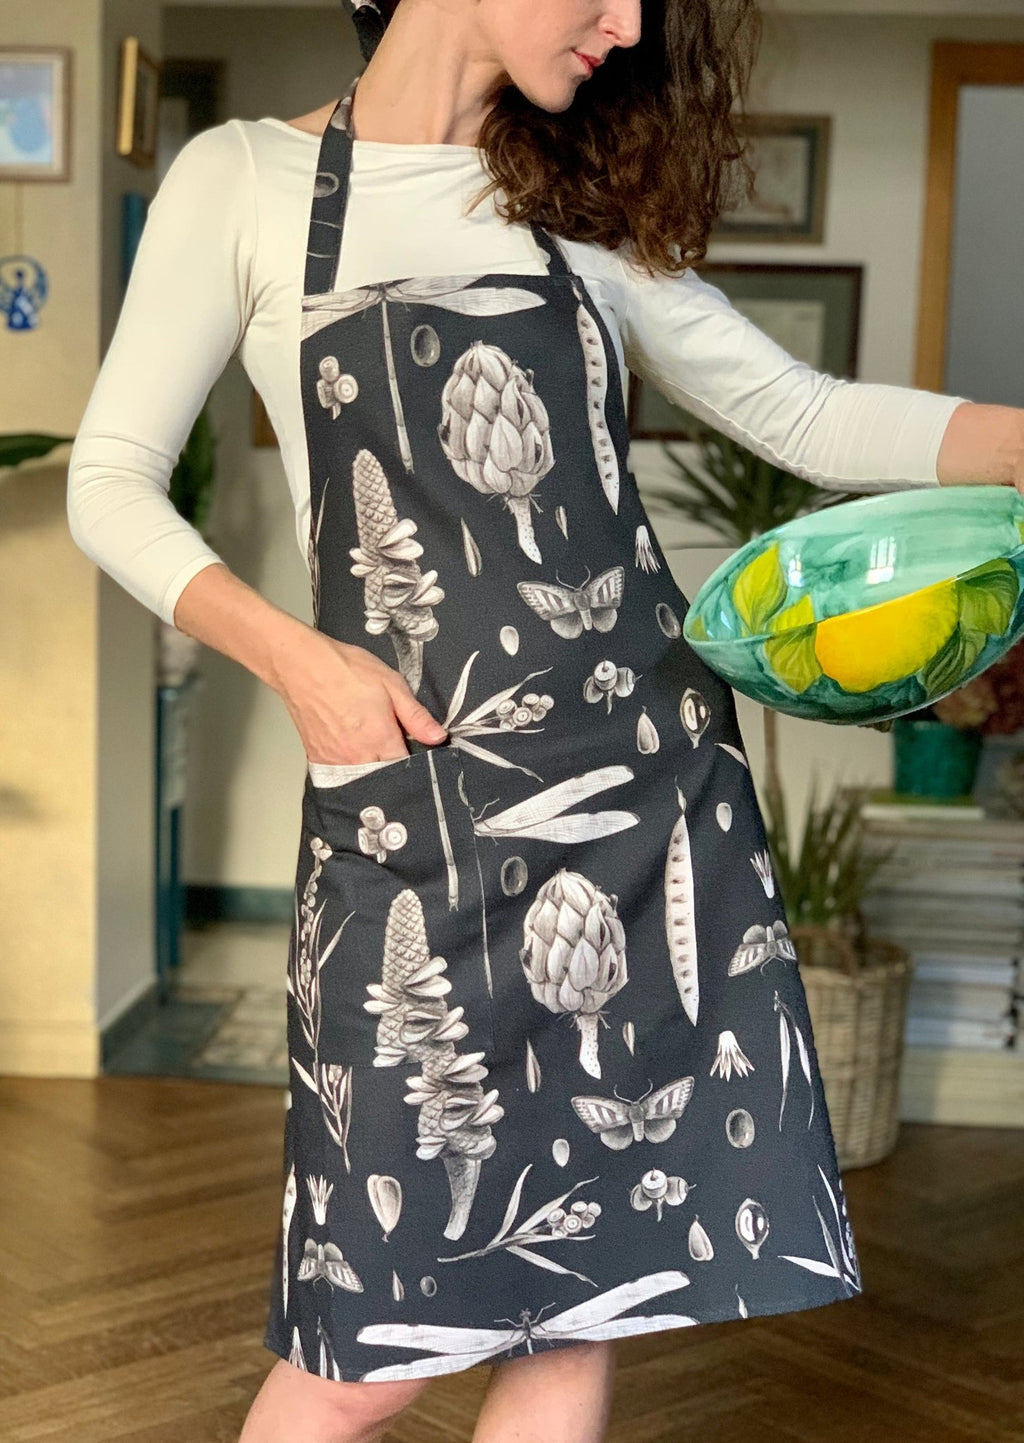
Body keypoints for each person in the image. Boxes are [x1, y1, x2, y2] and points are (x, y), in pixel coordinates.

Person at [66, 2, 1024, 1440]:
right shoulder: (247, 181)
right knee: (364, 1347)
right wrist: (300, 662)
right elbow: (109, 481)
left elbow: (807, 416)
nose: (628, 23)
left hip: (646, 815)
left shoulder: (574, 210)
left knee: (585, 1316)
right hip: (416, 822)